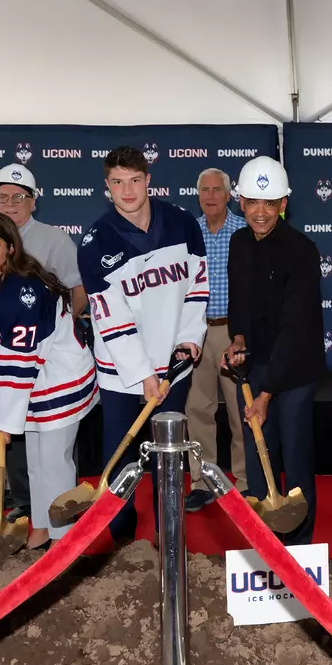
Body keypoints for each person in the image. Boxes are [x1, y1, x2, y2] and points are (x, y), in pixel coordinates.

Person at [79, 145, 208, 544]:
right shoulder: (94, 241)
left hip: (173, 361)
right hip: (122, 366)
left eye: (135, 180)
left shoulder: (183, 223)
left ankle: (168, 535)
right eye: (117, 182)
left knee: (168, 453)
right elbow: (109, 316)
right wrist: (142, 373)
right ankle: (121, 539)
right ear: (107, 188)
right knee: (120, 451)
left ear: (148, 180)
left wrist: (189, 340)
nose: (128, 190)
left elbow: (196, 286)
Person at [0, 212, 96, 550]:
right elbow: (8, 347)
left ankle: (64, 542)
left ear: (10, 248)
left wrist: (6, 421)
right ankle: (40, 529)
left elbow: (22, 361)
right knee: (37, 463)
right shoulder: (2, 277)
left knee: (54, 463)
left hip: (60, 379)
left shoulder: (20, 288)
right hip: (39, 379)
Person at [224, 156, 325, 544]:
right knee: (258, 460)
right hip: (254, 368)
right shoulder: (238, 243)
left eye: (270, 204)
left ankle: (298, 552)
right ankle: (265, 547)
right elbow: (241, 305)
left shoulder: (302, 250)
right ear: (241, 203)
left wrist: (266, 393)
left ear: (284, 203)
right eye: (253, 203)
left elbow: (293, 327)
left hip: (294, 372)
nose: (261, 213)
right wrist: (237, 340)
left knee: (296, 466)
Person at [0, 162, 86, 526]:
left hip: (53, 369)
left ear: (34, 202)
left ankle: (63, 536)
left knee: (54, 456)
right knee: (33, 454)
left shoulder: (55, 240)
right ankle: (40, 525)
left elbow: (77, 292)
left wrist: (53, 338)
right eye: (3, 197)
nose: (11, 203)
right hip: (23, 365)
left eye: (19, 197)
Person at [184, 167, 247, 511]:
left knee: (241, 410)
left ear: (228, 195)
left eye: (216, 190)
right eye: (204, 190)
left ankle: (248, 480)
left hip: (233, 331)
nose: (210, 196)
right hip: (196, 330)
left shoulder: (244, 229)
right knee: (198, 408)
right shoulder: (189, 232)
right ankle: (203, 481)